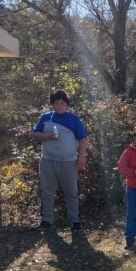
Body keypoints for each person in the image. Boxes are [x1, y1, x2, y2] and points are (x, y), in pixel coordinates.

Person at [32, 89, 89, 231]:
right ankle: (47, 220)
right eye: (56, 103)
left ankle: (75, 220)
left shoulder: (73, 119)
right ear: (52, 105)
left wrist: (81, 158)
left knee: (71, 192)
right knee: (47, 192)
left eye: (62, 103)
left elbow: (83, 139)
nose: (59, 106)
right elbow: (35, 134)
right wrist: (47, 137)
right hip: (48, 161)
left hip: (69, 162)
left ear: (67, 104)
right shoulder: (45, 117)